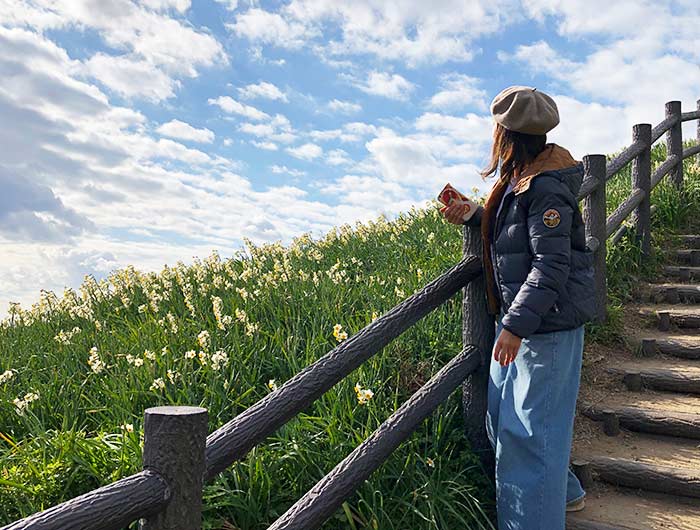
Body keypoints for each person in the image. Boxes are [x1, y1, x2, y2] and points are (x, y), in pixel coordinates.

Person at [441, 85, 597, 530]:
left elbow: (550, 265)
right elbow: (518, 235)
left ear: (506, 134)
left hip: (544, 327)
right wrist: (474, 213)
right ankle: (564, 496)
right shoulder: (523, 175)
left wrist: (512, 326)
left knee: (526, 438)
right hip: (527, 323)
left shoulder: (545, 186)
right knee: (504, 420)